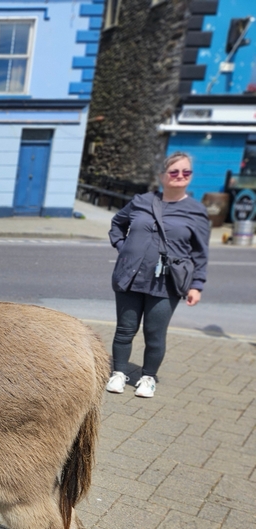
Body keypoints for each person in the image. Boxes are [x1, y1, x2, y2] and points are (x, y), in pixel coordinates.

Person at [105, 151, 210, 398]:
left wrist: (197, 285)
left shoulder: (196, 211)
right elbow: (117, 224)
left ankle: (148, 377)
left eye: (186, 172)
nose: (180, 176)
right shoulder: (141, 201)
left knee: (154, 333)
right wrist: (124, 250)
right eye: (174, 172)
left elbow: (200, 253)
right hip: (131, 276)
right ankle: (119, 373)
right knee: (125, 329)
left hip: (168, 283)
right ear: (162, 175)